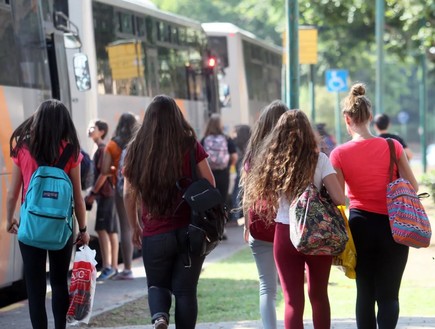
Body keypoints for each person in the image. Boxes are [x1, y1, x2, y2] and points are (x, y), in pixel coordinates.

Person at [243, 110, 346, 329]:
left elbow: (265, 200)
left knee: (292, 301)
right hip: (317, 233)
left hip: (284, 234)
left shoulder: (273, 162)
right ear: (309, 132)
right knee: (319, 295)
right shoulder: (320, 159)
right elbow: (338, 197)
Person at [330, 83, 418, 328]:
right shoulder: (393, 146)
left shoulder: (339, 154)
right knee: (389, 295)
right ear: (370, 116)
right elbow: (412, 184)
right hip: (394, 226)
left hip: (360, 226)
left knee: (365, 292)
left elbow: (339, 197)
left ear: (347, 119)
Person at [122, 95, 215, 329]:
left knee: (156, 284)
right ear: (176, 116)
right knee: (185, 291)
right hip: (189, 231)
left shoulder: (136, 149)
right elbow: (210, 183)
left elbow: (127, 195)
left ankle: (160, 316)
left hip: (154, 232)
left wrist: (135, 226)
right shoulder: (189, 144)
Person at [6, 99, 90, 329]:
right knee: (60, 283)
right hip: (62, 227)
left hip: (30, 225)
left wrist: (8, 220)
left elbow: (13, 193)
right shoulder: (71, 151)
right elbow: (78, 197)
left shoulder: (23, 148)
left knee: (35, 289)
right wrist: (83, 230)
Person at [240, 100, 287, 329]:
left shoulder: (253, 156)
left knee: (266, 287)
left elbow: (248, 194)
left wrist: (246, 225)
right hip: (287, 227)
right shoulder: (293, 156)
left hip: (259, 224)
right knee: (291, 288)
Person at [101, 112, 139, 280]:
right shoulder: (139, 142)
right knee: (147, 223)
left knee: (126, 228)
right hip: (142, 188)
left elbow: (104, 170)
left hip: (122, 188)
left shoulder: (112, 145)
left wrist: (117, 170)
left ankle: (128, 269)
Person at [85, 120, 120, 281]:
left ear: (102, 131)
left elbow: (103, 174)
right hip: (109, 193)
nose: (90, 129)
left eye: (94, 128)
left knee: (102, 230)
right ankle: (113, 267)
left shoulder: (101, 149)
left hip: (105, 194)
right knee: (111, 230)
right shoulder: (100, 149)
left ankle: (107, 267)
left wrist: (93, 192)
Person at [201, 113, 238, 205]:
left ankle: (211, 219)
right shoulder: (226, 139)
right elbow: (234, 156)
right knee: (222, 200)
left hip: (208, 174)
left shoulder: (204, 139)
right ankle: (222, 218)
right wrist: (229, 165)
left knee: (210, 201)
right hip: (223, 174)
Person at [230, 124, 251, 220]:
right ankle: (247, 216)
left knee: (236, 194)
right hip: (250, 172)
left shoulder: (235, 143)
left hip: (238, 172)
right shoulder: (251, 143)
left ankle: (236, 216)